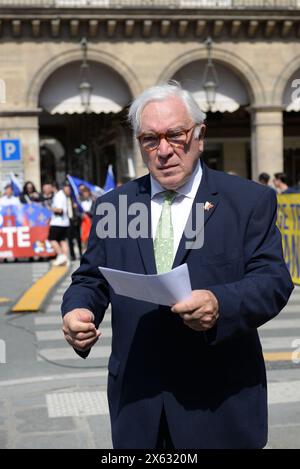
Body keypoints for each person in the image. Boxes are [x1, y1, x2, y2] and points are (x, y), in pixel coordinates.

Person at [61, 82, 293, 449]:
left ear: (199, 136)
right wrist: (76, 310)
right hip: (139, 406)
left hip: (220, 405)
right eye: (150, 139)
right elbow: (91, 278)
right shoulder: (114, 206)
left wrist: (220, 304)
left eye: (175, 135)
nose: (164, 150)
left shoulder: (248, 201)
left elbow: (273, 281)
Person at [48, 182, 70, 266]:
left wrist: (50, 208)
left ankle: (61, 256)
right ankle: (65, 259)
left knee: (52, 240)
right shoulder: (62, 195)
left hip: (57, 222)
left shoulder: (58, 196)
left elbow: (60, 210)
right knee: (62, 240)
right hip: (64, 222)